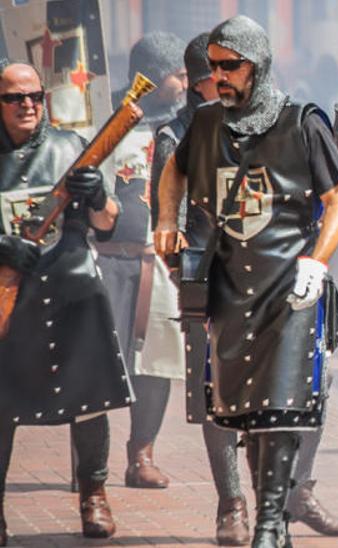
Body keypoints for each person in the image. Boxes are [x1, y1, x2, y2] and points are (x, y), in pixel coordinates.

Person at [153, 16, 338, 547]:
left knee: (284, 400)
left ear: (257, 65)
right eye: (214, 66)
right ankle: (275, 522)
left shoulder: (303, 122)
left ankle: (267, 524)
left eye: (230, 66)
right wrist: (166, 219)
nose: (220, 76)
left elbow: (337, 203)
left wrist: (318, 261)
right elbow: (175, 171)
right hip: (229, 285)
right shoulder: (204, 123)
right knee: (246, 408)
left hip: (291, 284)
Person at [0, 60, 131, 543]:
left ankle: (94, 494)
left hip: (72, 288)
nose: (27, 105)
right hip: (8, 298)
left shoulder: (72, 148)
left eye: (34, 96)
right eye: (14, 98)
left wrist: (97, 196)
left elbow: (107, 223)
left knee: (91, 399)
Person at [151, 32, 254, 545]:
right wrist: (187, 279)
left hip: (265, 274)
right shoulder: (175, 137)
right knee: (218, 395)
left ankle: (280, 497)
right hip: (208, 278)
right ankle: (231, 503)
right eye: (226, 68)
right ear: (205, 79)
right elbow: (164, 219)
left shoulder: (258, 124)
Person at [97, 31, 188, 493]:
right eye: (178, 74)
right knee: (93, 360)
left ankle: (141, 455)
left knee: (157, 360)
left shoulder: (183, 126)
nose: (186, 82)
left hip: (159, 261)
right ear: (153, 74)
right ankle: (88, 464)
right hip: (105, 257)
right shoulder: (108, 118)